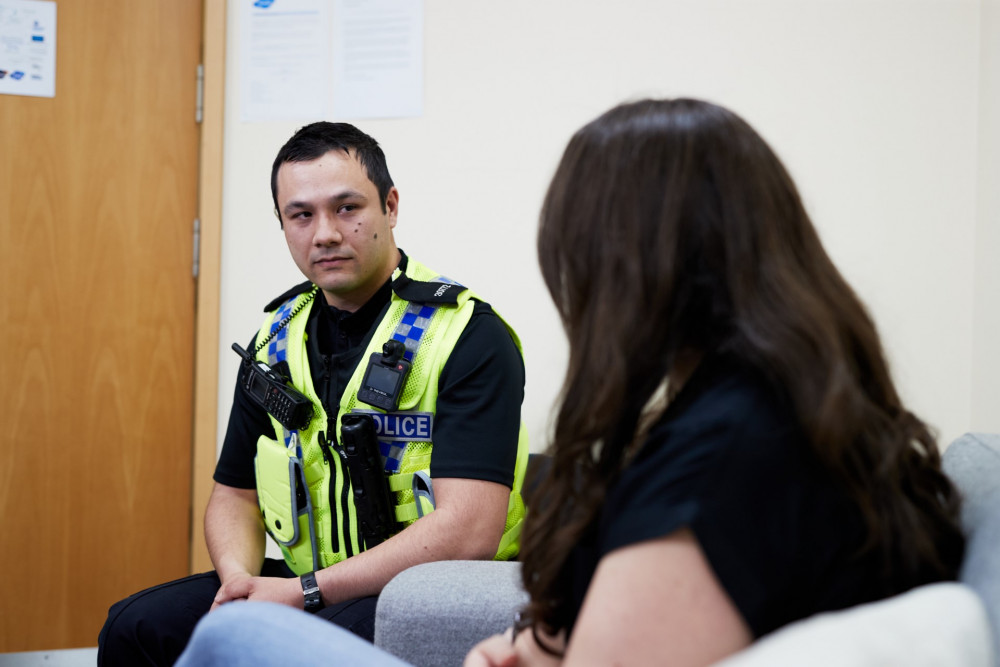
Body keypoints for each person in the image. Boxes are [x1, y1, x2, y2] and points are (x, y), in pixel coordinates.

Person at [173, 98, 966, 667]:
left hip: (363, 585)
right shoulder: (761, 411)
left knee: (228, 640)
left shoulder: (722, 457)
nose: (324, 233)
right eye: (299, 215)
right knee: (159, 623)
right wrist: (530, 643)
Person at [98, 122, 529, 666]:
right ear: (283, 224)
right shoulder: (276, 342)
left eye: (347, 208)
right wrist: (238, 583)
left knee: (283, 653)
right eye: (301, 215)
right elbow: (235, 496)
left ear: (390, 206)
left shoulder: (467, 335)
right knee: (136, 628)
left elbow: (468, 532)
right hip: (316, 581)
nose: (324, 233)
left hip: (429, 591)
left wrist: (302, 593)